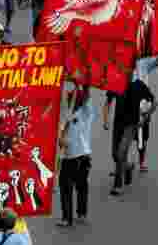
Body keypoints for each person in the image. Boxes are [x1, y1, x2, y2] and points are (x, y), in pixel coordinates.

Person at [103, 72, 156, 196]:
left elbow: (154, 102)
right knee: (115, 155)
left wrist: (145, 117)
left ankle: (117, 185)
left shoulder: (139, 85)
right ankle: (128, 167)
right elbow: (108, 103)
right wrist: (105, 120)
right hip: (118, 125)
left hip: (131, 125)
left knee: (121, 152)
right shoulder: (116, 83)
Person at [58, 83, 94, 228]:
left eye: (70, 98)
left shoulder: (85, 113)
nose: (67, 99)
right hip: (77, 155)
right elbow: (61, 137)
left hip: (76, 156)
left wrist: (83, 84)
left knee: (68, 186)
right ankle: (79, 214)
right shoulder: (68, 115)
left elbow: (86, 96)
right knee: (79, 185)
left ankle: (69, 217)